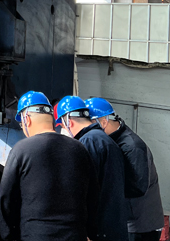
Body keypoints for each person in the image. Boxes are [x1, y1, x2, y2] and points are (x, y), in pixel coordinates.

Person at [0, 91, 98, 241]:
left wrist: (9, 237)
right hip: (74, 235)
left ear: (27, 119)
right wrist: (89, 233)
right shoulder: (79, 149)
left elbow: (6, 200)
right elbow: (93, 196)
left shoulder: (22, 150)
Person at [85, 98, 164, 241]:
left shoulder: (132, 146)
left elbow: (138, 187)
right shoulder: (113, 141)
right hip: (127, 222)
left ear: (103, 122)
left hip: (139, 227)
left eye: (89, 125)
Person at [55, 96, 129, 241]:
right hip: (113, 226)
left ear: (68, 122)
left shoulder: (88, 142)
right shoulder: (104, 139)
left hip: (99, 229)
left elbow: (85, 190)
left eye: (63, 126)